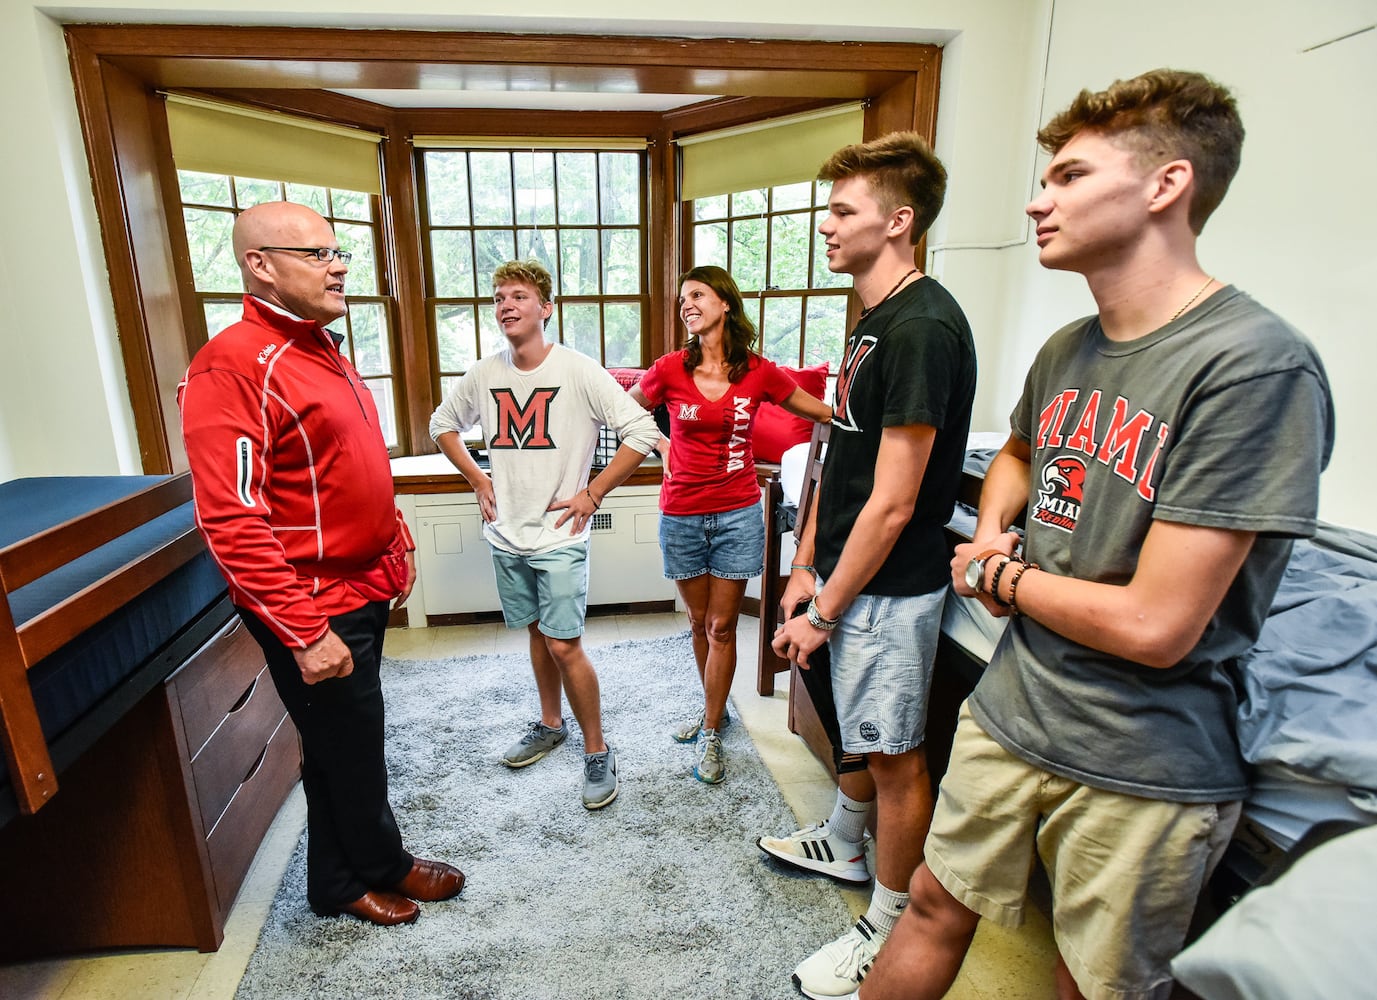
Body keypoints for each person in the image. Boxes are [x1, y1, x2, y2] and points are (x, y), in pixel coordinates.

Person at [856, 69, 1335, 1000]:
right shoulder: (1069, 346)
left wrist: (993, 578)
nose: (1038, 200)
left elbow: (1155, 626)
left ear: (1166, 185)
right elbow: (1019, 455)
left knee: (1093, 985)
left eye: (1069, 176)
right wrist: (996, 526)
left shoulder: (1251, 366)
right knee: (925, 904)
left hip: (1143, 759)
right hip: (1012, 709)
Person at [178, 202, 465, 928]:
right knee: (350, 744)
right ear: (259, 266)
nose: (337, 265)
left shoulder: (320, 347)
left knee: (347, 741)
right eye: (314, 254)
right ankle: (358, 876)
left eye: (338, 252)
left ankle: (360, 867)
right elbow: (231, 519)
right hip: (310, 598)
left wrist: (393, 541)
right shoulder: (232, 366)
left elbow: (344, 465)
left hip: (358, 583)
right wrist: (304, 630)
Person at [766, 132, 977, 999]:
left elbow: (894, 501)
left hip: (892, 589)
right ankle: (845, 844)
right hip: (846, 572)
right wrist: (806, 562)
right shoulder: (873, 320)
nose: (826, 225)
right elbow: (840, 454)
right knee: (857, 732)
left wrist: (822, 613)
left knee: (894, 757)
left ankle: (886, 921)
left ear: (897, 222)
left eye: (842, 211)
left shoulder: (923, 325)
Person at [429, 259, 659, 810]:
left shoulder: (578, 370)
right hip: (506, 535)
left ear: (545, 308)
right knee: (536, 635)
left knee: (563, 643)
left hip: (558, 535)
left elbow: (643, 431)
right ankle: (551, 725)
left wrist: (594, 492)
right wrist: (478, 476)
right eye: (499, 298)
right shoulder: (485, 373)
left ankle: (598, 750)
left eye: (520, 296)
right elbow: (442, 424)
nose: (507, 305)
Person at [629, 265, 832, 785]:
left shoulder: (759, 372)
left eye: (697, 294)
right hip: (680, 512)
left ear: (725, 303)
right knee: (699, 625)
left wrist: (870, 414)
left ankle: (714, 729)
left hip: (738, 512)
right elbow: (624, 412)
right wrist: (660, 441)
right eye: (681, 299)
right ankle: (711, 709)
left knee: (722, 626)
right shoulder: (669, 368)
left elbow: (819, 412)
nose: (686, 304)